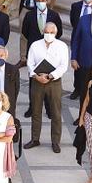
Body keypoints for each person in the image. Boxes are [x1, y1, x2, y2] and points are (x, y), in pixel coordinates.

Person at [25, 23, 68, 152]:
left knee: (55, 112)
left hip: (54, 82)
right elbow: (30, 63)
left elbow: (63, 66)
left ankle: (55, 141)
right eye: (46, 32)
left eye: (51, 32)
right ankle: (35, 138)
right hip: (37, 82)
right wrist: (35, 76)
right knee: (36, 111)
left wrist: (50, 76)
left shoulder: (62, 46)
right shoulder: (35, 45)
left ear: (55, 33)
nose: (48, 34)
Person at [20, 0, 63, 69]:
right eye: (38, 1)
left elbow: (59, 32)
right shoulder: (29, 15)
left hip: (49, 51)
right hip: (34, 50)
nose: (40, 3)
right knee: (33, 75)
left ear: (47, 1)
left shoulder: (54, 15)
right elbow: (25, 31)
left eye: (43, 1)